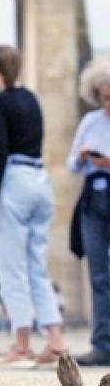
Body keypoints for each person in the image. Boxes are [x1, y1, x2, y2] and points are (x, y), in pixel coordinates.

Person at [0, 45, 67, 365]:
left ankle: (21, 344)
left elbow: (2, 150)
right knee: (36, 267)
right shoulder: (32, 99)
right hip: (40, 180)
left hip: (15, 180)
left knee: (11, 267)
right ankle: (55, 340)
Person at [66, 56, 110, 366]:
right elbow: (70, 163)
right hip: (93, 198)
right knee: (98, 274)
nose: (108, 103)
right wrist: (83, 158)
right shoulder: (90, 122)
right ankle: (101, 344)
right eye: (103, 97)